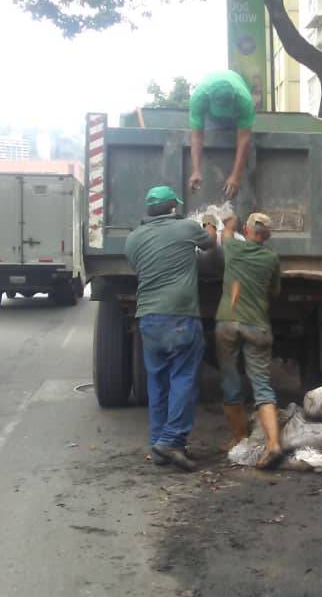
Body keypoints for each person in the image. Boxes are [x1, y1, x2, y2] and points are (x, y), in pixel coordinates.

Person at [125, 186, 214, 472]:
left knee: (158, 381)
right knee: (183, 380)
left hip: (149, 318)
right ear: (173, 208)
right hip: (180, 316)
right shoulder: (186, 228)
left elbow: (139, 265)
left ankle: (158, 444)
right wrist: (211, 223)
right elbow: (210, 243)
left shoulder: (134, 238)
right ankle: (172, 440)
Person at [215, 212, 283, 469]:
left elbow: (226, 232)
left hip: (227, 323)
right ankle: (274, 443)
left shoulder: (233, 248)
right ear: (268, 236)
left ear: (247, 229)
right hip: (257, 326)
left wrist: (229, 221)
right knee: (262, 385)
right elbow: (275, 291)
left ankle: (239, 437)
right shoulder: (271, 259)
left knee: (230, 379)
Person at [187, 70, 257, 206]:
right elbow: (196, 136)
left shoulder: (244, 100)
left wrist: (236, 176)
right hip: (210, 118)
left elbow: (244, 139)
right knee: (213, 132)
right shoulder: (199, 97)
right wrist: (195, 170)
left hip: (236, 115)